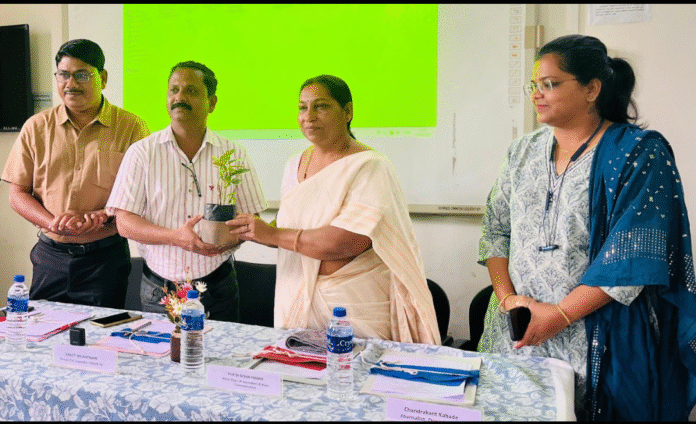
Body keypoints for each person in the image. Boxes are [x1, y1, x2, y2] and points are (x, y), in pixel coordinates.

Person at [477, 34, 696, 420]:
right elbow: (496, 232)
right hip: (515, 333)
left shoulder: (638, 152)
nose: (537, 95)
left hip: (597, 338)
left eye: (550, 84)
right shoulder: (521, 152)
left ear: (592, 89)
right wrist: (509, 301)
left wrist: (559, 314)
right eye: (533, 85)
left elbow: (630, 257)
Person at [226, 75, 439, 344]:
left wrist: (273, 235)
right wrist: (252, 230)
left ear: (347, 111)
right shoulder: (293, 165)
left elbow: (348, 241)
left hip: (352, 309)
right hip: (295, 301)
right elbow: (289, 228)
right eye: (302, 107)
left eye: (321, 106)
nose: (309, 116)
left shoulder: (369, 166)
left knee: (354, 371)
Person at [105, 61, 267, 322]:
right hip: (160, 290)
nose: (179, 97)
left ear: (212, 103)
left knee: (221, 349)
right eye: (174, 90)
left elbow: (252, 219)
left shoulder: (234, 153)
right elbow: (124, 223)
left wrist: (229, 239)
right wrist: (175, 237)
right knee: (164, 350)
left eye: (191, 91)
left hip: (218, 287)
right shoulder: (142, 153)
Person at [1, 39, 150, 308]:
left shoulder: (131, 127)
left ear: (103, 78)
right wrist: (51, 222)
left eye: (82, 75)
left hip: (105, 259)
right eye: (63, 75)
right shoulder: (36, 127)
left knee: (103, 331)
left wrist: (106, 214)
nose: (71, 84)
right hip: (50, 257)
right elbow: (17, 193)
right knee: (44, 328)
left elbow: (144, 194)